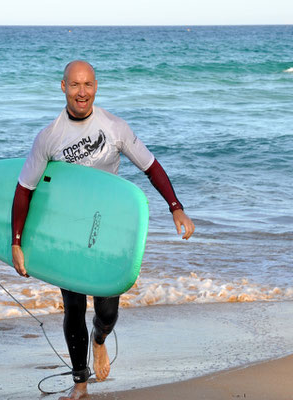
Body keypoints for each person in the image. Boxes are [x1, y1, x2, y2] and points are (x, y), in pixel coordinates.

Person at [10, 60, 195, 400]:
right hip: (66, 233)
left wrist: (176, 207)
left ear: (96, 86)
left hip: (106, 230)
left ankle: (99, 340)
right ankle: (80, 383)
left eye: (88, 85)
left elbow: (150, 166)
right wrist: (17, 242)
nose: (82, 92)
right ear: (62, 86)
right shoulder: (48, 137)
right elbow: (25, 189)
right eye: (75, 85)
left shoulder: (114, 127)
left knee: (107, 312)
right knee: (74, 308)